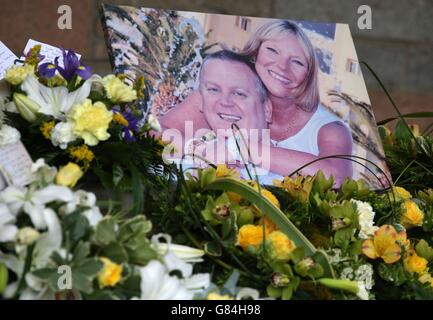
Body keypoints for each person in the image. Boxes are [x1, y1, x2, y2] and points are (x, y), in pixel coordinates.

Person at [160, 20, 353, 186]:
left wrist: (236, 150)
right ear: (255, 53)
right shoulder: (223, 98)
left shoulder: (328, 129)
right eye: (272, 50)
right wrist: (205, 153)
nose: (282, 66)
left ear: (308, 76)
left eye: (297, 62)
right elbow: (158, 133)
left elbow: (336, 177)